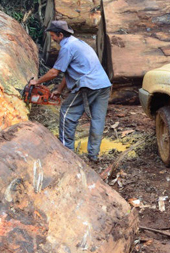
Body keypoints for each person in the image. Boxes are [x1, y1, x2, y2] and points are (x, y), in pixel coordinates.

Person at [28, 20, 112, 162]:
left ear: (61, 35)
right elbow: (69, 72)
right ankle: (93, 155)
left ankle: (66, 153)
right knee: (98, 119)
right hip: (103, 84)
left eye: (53, 36)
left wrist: (36, 81)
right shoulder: (79, 43)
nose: (53, 39)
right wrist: (59, 90)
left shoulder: (67, 47)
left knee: (67, 113)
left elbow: (54, 73)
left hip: (88, 84)